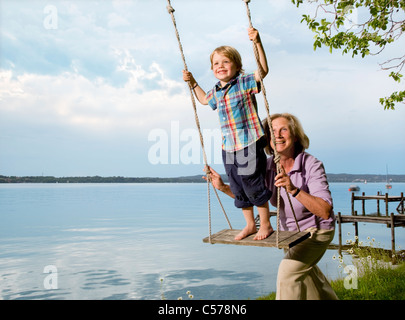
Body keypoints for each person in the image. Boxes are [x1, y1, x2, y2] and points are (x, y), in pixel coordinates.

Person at [205, 113, 338, 300]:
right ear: (266, 138)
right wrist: (223, 187)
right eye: (272, 131)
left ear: (295, 135)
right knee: (309, 280)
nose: (278, 135)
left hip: (316, 232)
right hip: (290, 235)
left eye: (283, 129)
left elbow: (325, 211)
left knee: (287, 273)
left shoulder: (311, 165)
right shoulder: (267, 166)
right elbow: (255, 196)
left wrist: (293, 189)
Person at [183, 28, 273, 241]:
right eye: (216, 63)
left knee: (251, 182)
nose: (220, 66)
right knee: (237, 185)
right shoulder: (216, 91)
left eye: (225, 61)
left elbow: (263, 71)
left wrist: (257, 43)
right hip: (228, 146)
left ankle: (266, 224)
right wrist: (193, 82)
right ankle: (250, 224)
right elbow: (204, 100)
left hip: (248, 142)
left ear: (237, 66)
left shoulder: (244, 82)